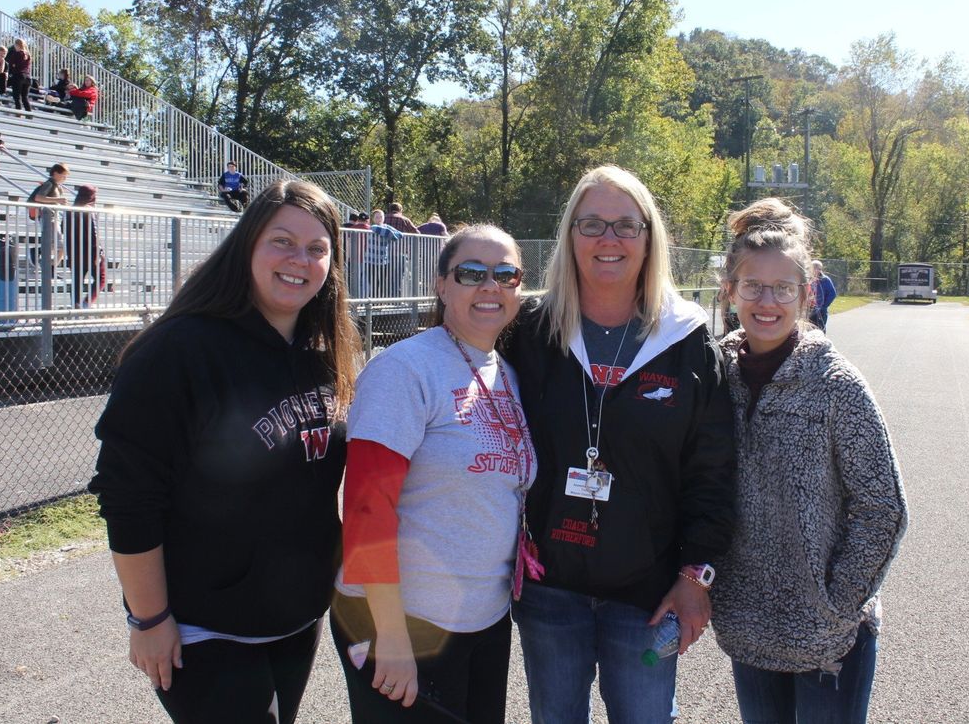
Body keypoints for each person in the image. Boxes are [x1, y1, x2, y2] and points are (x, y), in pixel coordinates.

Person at [88, 180, 360, 724]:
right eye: (282, 241)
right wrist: (149, 618)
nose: (299, 260)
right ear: (248, 246)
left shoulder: (324, 350)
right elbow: (128, 497)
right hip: (202, 624)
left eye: (316, 248)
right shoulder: (179, 349)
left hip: (294, 617)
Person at [503, 164, 736, 723]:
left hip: (649, 594)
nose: (609, 239)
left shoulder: (687, 340)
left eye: (626, 226)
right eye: (592, 224)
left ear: (649, 238)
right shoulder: (529, 333)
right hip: (550, 588)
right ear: (569, 236)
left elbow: (714, 473)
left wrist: (694, 577)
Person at [710, 198, 907, 724]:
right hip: (750, 629)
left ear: (807, 293)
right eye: (752, 285)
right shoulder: (716, 376)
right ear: (731, 290)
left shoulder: (835, 384)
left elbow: (882, 507)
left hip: (827, 639)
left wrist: (836, 604)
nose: (766, 300)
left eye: (782, 288)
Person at [332, 223, 536, 724]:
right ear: (442, 285)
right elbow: (365, 507)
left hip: (481, 620)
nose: (490, 285)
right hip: (403, 624)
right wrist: (394, 638)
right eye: (471, 273)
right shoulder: (406, 369)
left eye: (505, 274)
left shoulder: (503, 372)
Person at [64, 185, 102, 308]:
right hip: (90, 253)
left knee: (76, 282)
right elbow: (94, 234)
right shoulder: (89, 210)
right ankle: (86, 303)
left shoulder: (70, 211)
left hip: (75, 253)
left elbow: (64, 229)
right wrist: (97, 253)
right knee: (101, 278)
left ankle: (76, 307)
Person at [361, 210, 404, 298]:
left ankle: (379, 303)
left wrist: (391, 235)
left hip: (383, 261)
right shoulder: (373, 227)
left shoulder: (387, 227)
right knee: (373, 283)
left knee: (382, 283)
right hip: (371, 261)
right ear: (373, 219)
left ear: (384, 218)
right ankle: (372, 303)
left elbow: (400, 234)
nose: (379, 219)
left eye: (381, 216)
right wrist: (391, 235)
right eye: (377, 217)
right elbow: (388, 233)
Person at [808, 259, 837, 332]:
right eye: (814, 268)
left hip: (821, 310)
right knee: (809, 329)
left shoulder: (825, 280)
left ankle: (821, 342)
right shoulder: (808, 279)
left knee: (820, 328)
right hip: (809, 308)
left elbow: (832, 294)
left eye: (819, 268)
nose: (817, 270)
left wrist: (824, 306)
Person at [6, 38, 33, 113]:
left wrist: (13, 67)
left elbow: (11, 64)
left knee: (17, 97)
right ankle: (29, 114)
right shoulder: (28, 55)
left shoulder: (16, 54)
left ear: (17, 45)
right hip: (27, 77)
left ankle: (19, 113)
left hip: (18, 76)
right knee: (25, 98)